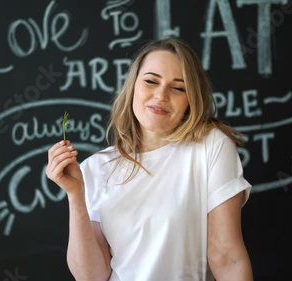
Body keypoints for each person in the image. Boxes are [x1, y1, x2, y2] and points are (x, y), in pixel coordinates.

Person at [46, 37, 253, 281]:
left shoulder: (210, 146)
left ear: (191, 99)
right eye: (150, 81)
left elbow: (226, 256)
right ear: (133, 86)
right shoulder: (95, 167)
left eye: (178, 87)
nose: (161, 95)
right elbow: (91, 276)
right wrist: (75, 194)